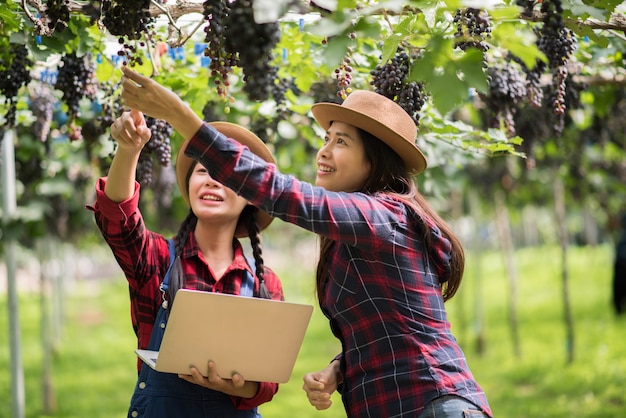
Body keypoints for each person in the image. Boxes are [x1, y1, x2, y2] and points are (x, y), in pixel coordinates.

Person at [116, 65, 493, 418]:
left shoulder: (384, 216)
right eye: (326, 138)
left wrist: (181, 117)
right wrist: (340, 369)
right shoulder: (357, 235)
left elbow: (284, 194)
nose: (324, 151)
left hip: (433, 404)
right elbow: (388, 325)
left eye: (341, 141)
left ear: (374, 159)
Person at [87, 108, 284, 418]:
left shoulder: (264, 283)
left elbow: (267, 384)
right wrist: (129, 149)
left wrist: (232, 385)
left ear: (250, 196)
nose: (213, 182)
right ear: (190, 184)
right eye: (203, 171)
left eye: (228, 176)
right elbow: (117, 219)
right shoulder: (159, 257)